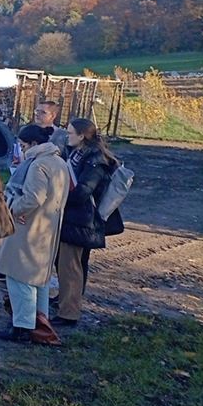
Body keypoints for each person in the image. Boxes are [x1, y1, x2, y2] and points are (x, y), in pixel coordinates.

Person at [0, 125, 70, 343]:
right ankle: (39, 322)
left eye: (24, 145)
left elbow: (33, 197)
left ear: (35, 145)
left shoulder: (38, 165)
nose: (22, 150)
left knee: (20, 277)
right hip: (47, 226)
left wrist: (11, 209)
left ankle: (23, 327)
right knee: (39, 280)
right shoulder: (59, 162)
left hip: (30, 228)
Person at [53, 118, 119, 327]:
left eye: (70, 133)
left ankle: (69, 312)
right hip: (74, 217)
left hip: (82, 220)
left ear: (82, 136)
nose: (67, 136)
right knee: (65, 264)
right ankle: (65, 303)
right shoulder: (78, 154)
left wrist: (57, 196)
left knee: (71, 267)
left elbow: (83, 191)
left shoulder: (95, 160)